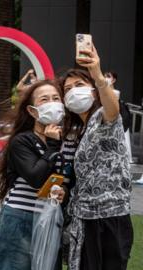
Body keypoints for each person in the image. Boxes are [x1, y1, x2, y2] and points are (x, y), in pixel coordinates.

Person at [0, 80, 66, 270]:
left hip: (50, 217)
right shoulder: (22, 141)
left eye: (56, 98)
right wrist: (52, 146)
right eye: (44, 99)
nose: (52, 103)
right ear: (32, 111)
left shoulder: (65, 140)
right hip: (20, 217)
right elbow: (35, 178)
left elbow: (65, 178)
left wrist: (63, 191)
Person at [62, 45, 133, 270]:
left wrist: (98, 75)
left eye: (79, 85)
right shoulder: (78, 131)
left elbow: (112, 110)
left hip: (109, 219)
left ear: (93, 91)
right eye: (67, 89)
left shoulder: (103, 117)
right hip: (83, 219)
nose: (73, 91)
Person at [104, 71, 133, 162]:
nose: (105, 78)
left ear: (114, 80)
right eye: (104, 76)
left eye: (108, 76)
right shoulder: (101, 92)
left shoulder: (116, 93)